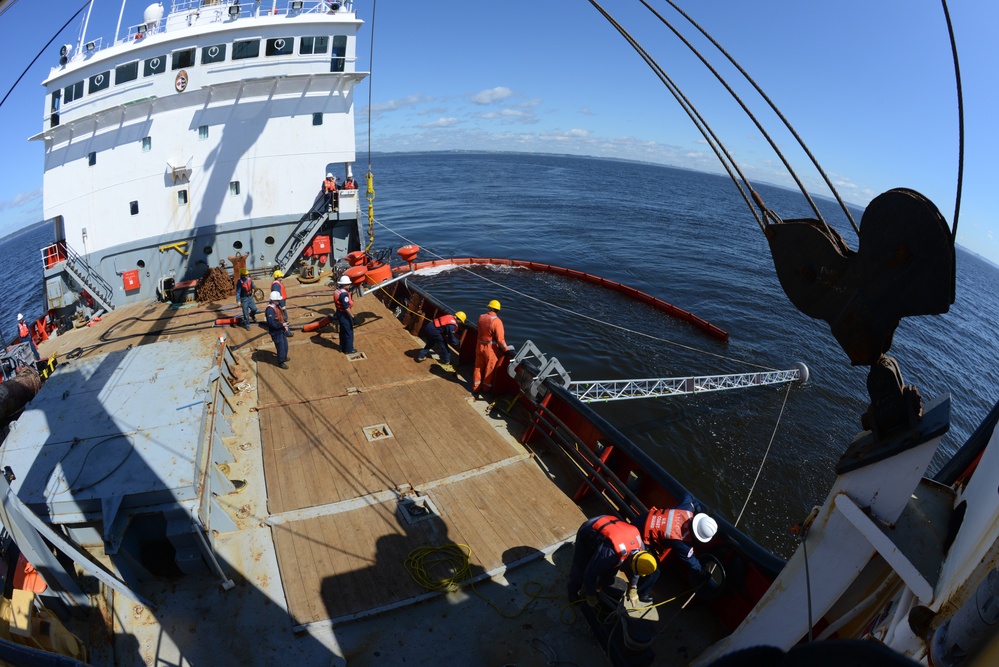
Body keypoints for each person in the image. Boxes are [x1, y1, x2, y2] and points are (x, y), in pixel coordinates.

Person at [567, 515, 658, 607]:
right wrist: (591, 595)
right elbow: (589, 574)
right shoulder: (611, 553)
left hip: (611, 526)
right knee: (581, 567)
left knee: (611, 567)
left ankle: (599, 586)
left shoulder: (640, 549)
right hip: (590, 529)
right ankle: (573, 593)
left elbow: (637, 567)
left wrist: (633, 586)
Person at [636, 491, 717, 580]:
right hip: (638, 538)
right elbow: (691, 560)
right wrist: (701, 571)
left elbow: (687, 494)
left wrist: (698, 509)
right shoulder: (682, 543)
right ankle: (643, 593)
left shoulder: (687, 508)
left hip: (641, 518)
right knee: (655, 572)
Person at [472, 299, 508, 399]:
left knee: (478, 367)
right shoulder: (497, 322)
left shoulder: (481, 317)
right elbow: (500, 340)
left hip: (479, 345)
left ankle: (475, 388)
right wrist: (506, 349)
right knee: (489, 369)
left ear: (490, 308)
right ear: (497, 310)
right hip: (490, 349)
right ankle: (486, 389)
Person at [265, 290, 290, 369]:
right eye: (278, 300)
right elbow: (272, 324)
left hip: (281, 330)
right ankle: (281, 362)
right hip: (276, 332)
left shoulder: (277, 306)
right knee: (281, 347)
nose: (279, 301)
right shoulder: (270, 310)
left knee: (285, 345)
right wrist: (282, 325)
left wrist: (284, 324)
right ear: (273, 300)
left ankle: (284, 357)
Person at [333, 274, 356, 354]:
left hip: (339, 312)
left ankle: (342, 347)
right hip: (344, 315)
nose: (349, 285)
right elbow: (346, 307)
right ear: (344, 284)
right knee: (348, 332)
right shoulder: (344, 294)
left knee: (342, 331)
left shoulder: (338, 290)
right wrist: (352, 316)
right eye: (348, 284)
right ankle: (349, 349)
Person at [270, 270, 294, 337]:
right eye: (280, 276)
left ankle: (285, 330)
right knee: (284, 318)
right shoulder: (276, 285)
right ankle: (287, 332)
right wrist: (282, 305)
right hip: (280, 303)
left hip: (281, 302)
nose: (282, 277)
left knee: (283, 317)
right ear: (278, 276)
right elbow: (277, 296)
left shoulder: (277, 283)